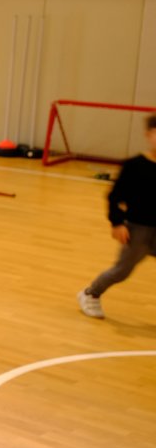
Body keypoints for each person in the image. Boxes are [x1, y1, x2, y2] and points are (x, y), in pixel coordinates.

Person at [78, 113, 156, 319]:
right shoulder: (134, 166)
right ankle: (91, 293)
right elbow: (114, 197)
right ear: (149, 134)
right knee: (122, 270)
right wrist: (117, 223)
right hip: (138, 228)